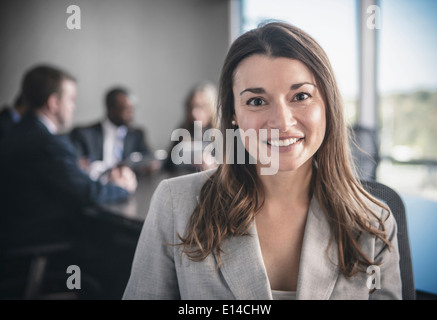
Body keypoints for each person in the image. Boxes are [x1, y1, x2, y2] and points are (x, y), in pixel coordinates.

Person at [123, 22, 402, 300]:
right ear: (233, 114)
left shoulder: (374, 223)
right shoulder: (175, 204)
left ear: (328, 103)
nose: (282, 121)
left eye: (301, 96)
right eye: (257, 101)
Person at [0, 65, 136, 252]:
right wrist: (122, 187)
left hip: (13, 233)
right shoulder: (48, 142)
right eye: (71, 99)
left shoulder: (17, 130)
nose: (74, 106)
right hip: (36, 239)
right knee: (116, 241)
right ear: (54, 103)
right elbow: (88, 194)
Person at [70, 87, 158, 179]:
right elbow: (76, 164)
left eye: (133, 109)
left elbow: (148, 159)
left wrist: (150, 166)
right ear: (111, 109)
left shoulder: (136, 135)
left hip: (128, 186)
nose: (131, 114)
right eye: (126, 109)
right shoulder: (84, 134)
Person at [163, 82, 218, 173]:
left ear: (212, 107)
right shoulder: (183, 130)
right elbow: (168, 165)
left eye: (201, 107)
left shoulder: (222, 130)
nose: (194, 113)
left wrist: (213, 164)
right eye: (191, 107)